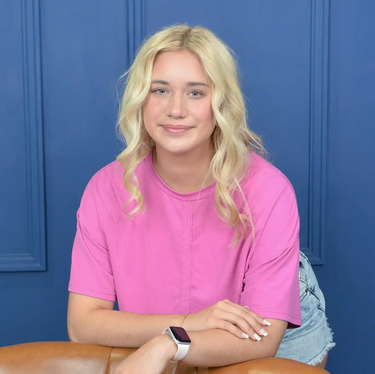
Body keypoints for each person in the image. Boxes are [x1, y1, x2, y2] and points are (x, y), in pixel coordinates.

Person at [67, 24, 335, 373]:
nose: (175, 109)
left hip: (271, 335)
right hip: (180, 328)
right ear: (140, 98)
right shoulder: (105, 189)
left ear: (220, 102)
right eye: (159, 89)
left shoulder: (269, 190)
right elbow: (83, 324)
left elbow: (264, 338)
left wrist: (169, 342)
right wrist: (189, 324)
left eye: (195, 93)